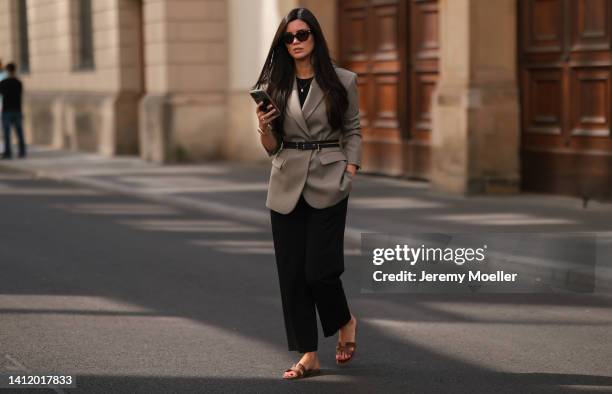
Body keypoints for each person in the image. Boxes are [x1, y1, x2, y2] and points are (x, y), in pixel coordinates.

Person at [252, 7, 361, 380]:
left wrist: (351, 168)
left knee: (320, 270)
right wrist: (264, 129)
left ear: (315, 37)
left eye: (302, 35)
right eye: (289, 37)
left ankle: (344, 320)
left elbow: (353, 129)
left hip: (330, 180)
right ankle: (308, 354)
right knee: (292, 274)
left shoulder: (342, 81)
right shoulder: (275, 86)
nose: (296, 42)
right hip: (285, 179)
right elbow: (272, 146)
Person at [0, 62, 26, 159]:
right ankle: (22, 152)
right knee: (19, 132)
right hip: (17, 109)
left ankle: (8, 153)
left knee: (7, 133)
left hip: (7, 110)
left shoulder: (3, 83)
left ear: (7, 71)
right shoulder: (18, 83)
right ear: (15, 70)